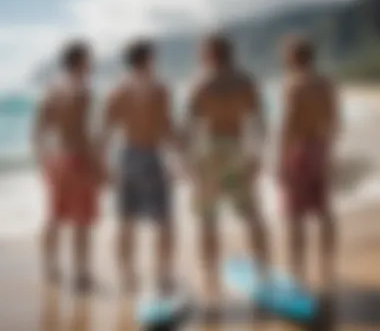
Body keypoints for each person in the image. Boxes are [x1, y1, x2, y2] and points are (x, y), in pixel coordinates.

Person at [185, 33, 269, 308]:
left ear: (208, 53)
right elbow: (259, 121)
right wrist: (256, 156)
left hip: (210, 152)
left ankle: (211, 280)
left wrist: (190, 164)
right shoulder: (246, 81)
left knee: (208, 219)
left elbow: (188, 128)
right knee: (251, 213)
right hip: (237, 148)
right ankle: (262, 273)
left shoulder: (200, 83)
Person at [99, 39, 178, 294]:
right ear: (150, 59)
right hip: (151, 155)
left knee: (125, 220)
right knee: (164, 221)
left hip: (127, 156)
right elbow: (167, 128)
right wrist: (181, 160)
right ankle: (162, 276)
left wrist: (104, 166)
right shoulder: (159, 89)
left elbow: (105, 133)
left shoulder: (117, 91)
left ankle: (127, 277)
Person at [34, 41, 102, 292]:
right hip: (78, 159)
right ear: (80, 62)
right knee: (81, 221)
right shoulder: (83, 90)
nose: (92, 64)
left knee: (54, 216)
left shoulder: (51, 90)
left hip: (56, 159)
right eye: (89, 59)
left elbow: (39, 128)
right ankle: (81, 275)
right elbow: (84, 134)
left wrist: (42, 160)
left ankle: (50, 268)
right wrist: (99, 165)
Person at [279, 36, 340, 290]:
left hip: (300, 151)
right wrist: (327, 152)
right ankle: (327, 269)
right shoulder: (326, 83)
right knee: (324, 211)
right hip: (321, 148)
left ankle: (298, 273)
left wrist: (280, 159)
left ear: (293, 56)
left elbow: (288, 126)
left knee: (295, 215)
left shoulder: (293, 84)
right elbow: (335, 122)